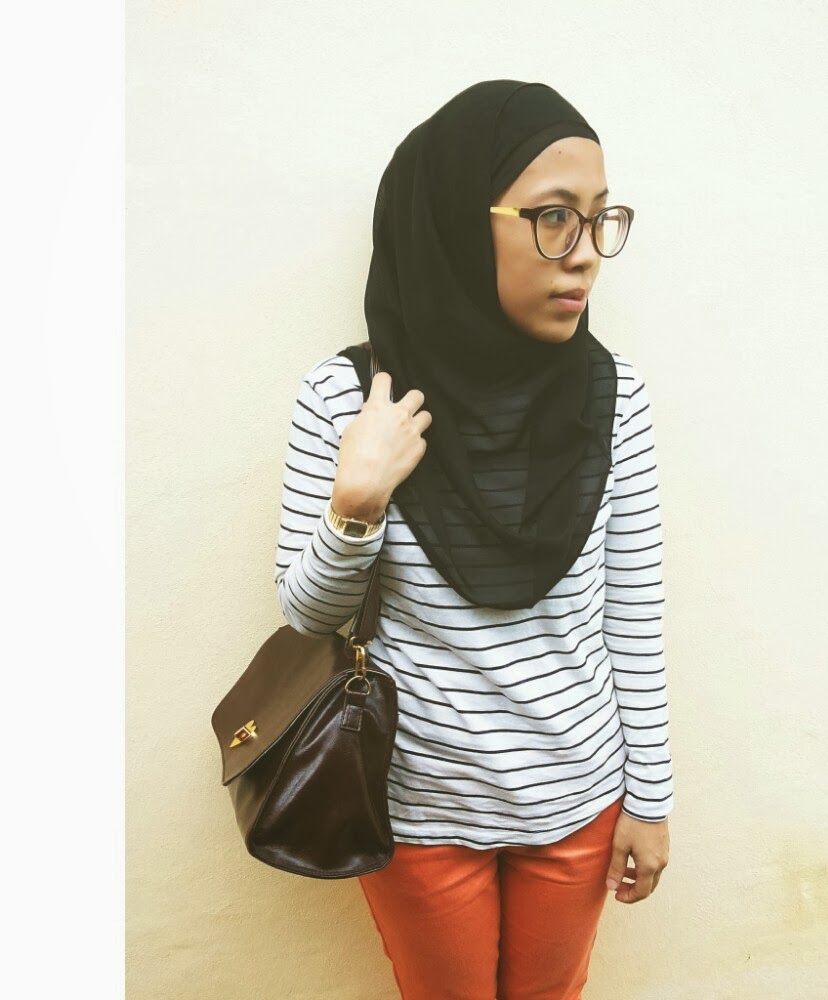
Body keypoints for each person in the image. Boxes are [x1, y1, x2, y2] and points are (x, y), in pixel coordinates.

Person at [274, 80, 673, 1000]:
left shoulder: (617, 400)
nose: (586, 253)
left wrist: (650, 801)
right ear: (457, 221)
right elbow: (306, 619)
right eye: (552, 218)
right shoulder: (347, 400)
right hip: (417, 811)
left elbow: (632, 618)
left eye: (599, 219)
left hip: (578, 800)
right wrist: (357, 502)